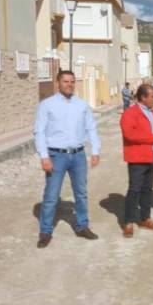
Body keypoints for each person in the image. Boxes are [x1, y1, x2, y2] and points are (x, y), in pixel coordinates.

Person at [34, 70, 101, 248]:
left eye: (72, 81)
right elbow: (39, 132)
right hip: (56, 155)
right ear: (58, 83)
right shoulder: (46, 105)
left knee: (81, 193)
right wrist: (44, 156)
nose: (69, 84)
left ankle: (82, 226)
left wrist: (95, 151)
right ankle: (46, 231)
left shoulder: (82, 105)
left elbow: (91, 129)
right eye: (65, 81)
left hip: (78, 155)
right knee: (51, 195)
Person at [120, 84, 153, 238]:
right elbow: (129, 134)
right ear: (143, 97)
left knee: (147, 189)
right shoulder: (130, 113)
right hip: (138, 158)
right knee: (134, 190)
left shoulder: (152, 113)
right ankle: (128, 222)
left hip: (152, 156)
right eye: (152, 96)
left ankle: (145, 218)